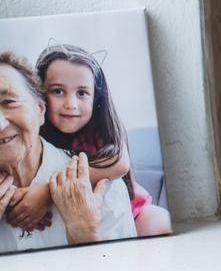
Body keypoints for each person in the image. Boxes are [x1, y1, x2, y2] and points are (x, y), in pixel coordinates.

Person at [0, 51, 136, 252]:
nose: (70, 105)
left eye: (9, 102)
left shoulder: (102, 189)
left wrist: (85, 234)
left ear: (40, 109)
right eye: (58, 91)